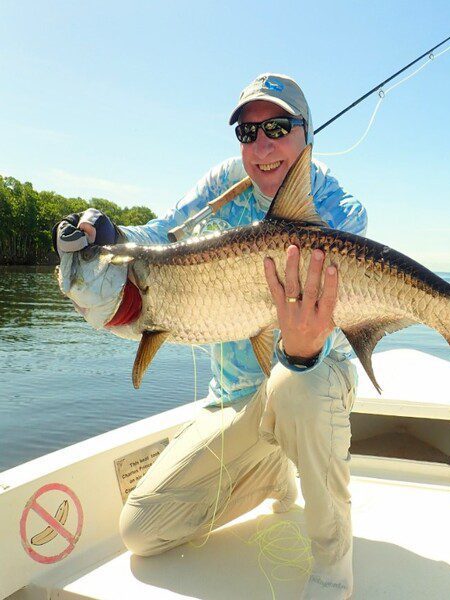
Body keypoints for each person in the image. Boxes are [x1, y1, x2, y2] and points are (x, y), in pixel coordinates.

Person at [53, 73, 367, 599]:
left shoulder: (335, 201)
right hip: (235, 399)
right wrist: (110, 235)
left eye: (278, 128)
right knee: (142, 530)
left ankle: (333, 564)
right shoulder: (221, 185)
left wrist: (303, 341)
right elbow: (163, 234)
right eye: (248, 134)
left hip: (317, 377)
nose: (263, 146)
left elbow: (352, 261)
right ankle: (270, 470)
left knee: (299, 388)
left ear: (306, 135)